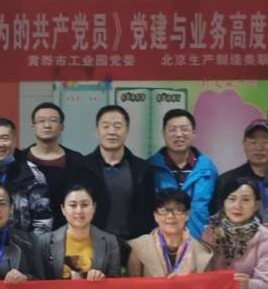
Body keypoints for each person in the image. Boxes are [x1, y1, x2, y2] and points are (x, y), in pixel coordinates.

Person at [23, 102, 109, 231]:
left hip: (68, 234)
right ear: (33, 126)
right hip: (25, 236)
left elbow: (93, 199)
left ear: (62, 126)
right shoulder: (20, 160)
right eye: (41, 121)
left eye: (53, 120)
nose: (47, 125)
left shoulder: (77, 161)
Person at [84, 105, 155, 243]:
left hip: (134, 244)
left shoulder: (143, 169)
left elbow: (149, 211)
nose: (112, 132)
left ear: (127, 131)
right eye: (106, 126)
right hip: (93, 244)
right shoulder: (82, 167)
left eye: (117, 126)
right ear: (97, 131)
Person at [0, 118, 53, 236]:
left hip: (22, 245)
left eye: (4, 138)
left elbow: (43, 221)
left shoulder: (32, 175)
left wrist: (28, 245)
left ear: (14, 140)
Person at [148, 109, 218, 239]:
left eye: (184, 129)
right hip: (160, 245)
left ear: (193, 133)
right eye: (173, 130)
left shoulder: (208, 169)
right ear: (163, 133)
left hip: (198, 243)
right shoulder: (150, 169)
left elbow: (215, 211)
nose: (179, 134)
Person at [39, 183, 121, 281]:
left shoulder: (110, 241)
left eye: (85, 205)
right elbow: (39, 280)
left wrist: (103, 278)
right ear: (63, 209)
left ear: (94, 207)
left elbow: (115, 281)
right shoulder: (45, 242)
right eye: (73, 205)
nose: (79, 210)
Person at [127, 188, 214, 277]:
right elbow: (133, 283)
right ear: (155, 216)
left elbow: (207, 285)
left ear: (187, 215)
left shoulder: (202, 252)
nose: (170, 216)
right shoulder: (140, 247)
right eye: (163, 210)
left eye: (178, 210)